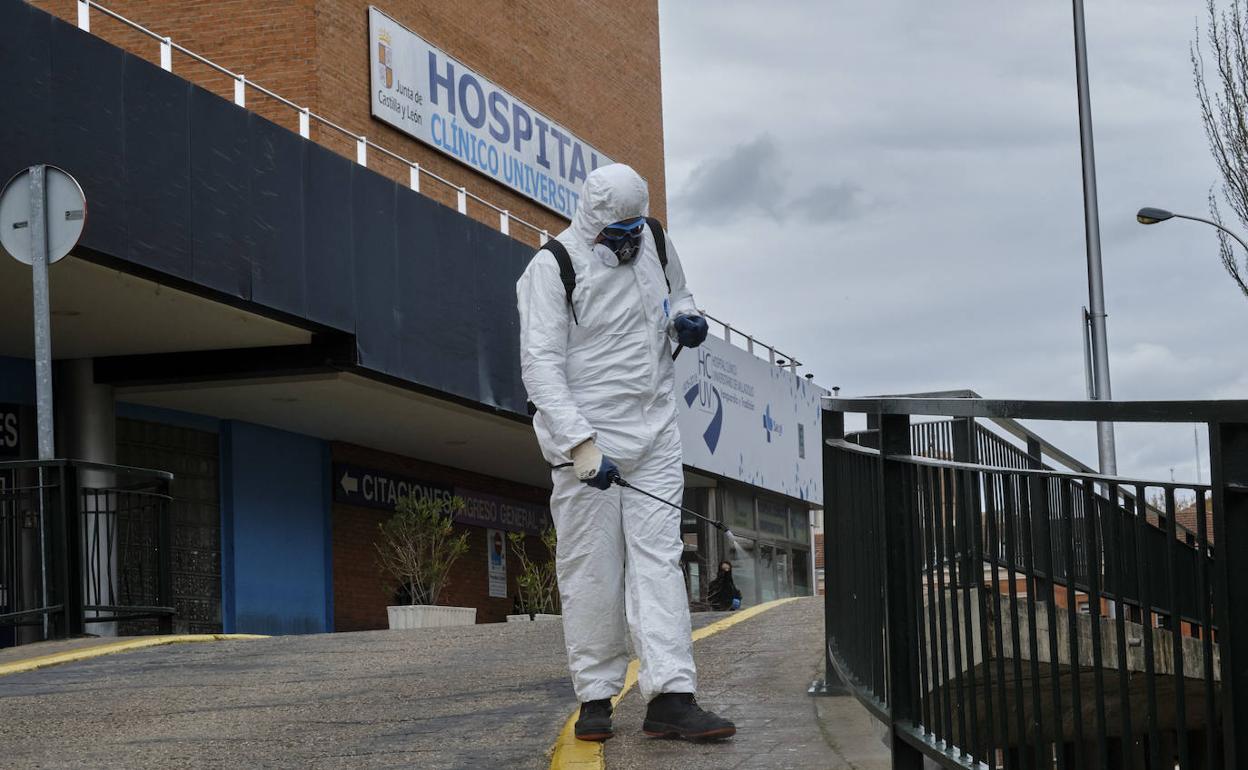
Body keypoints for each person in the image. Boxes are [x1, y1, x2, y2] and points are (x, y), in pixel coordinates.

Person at [516, 163, 736, 743]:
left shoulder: (656, 242)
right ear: (593, 222)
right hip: (588, 441)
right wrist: (580, 444)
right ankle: (595, 696)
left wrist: (687, 320)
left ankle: (672, 695)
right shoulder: (551, 268)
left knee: (659, 561)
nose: (629, 243)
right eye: (618, 235)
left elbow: (680, 294)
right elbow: (540, 367)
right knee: (593, 569)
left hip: (656, 429)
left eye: (635, 231)